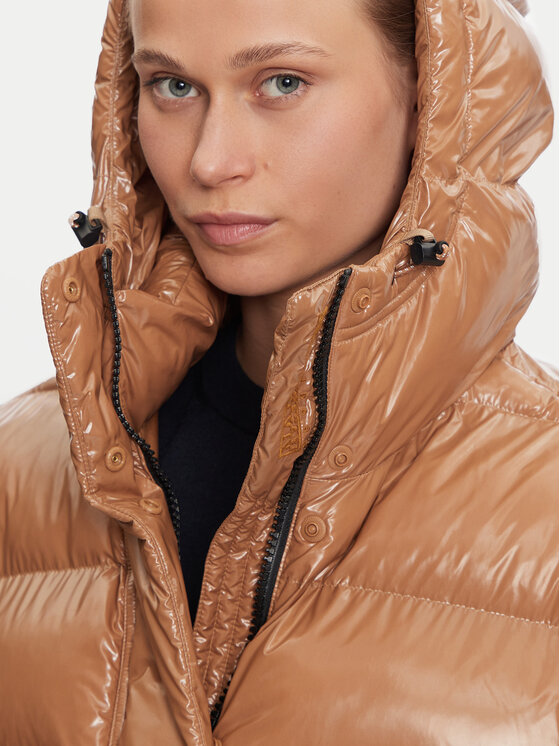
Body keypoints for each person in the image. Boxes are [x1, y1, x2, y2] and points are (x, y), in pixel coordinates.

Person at [0, 0, 557, 743]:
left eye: (283, 83)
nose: (210, 161)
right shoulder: (18, 472)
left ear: (435, 97)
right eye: (172, 86)